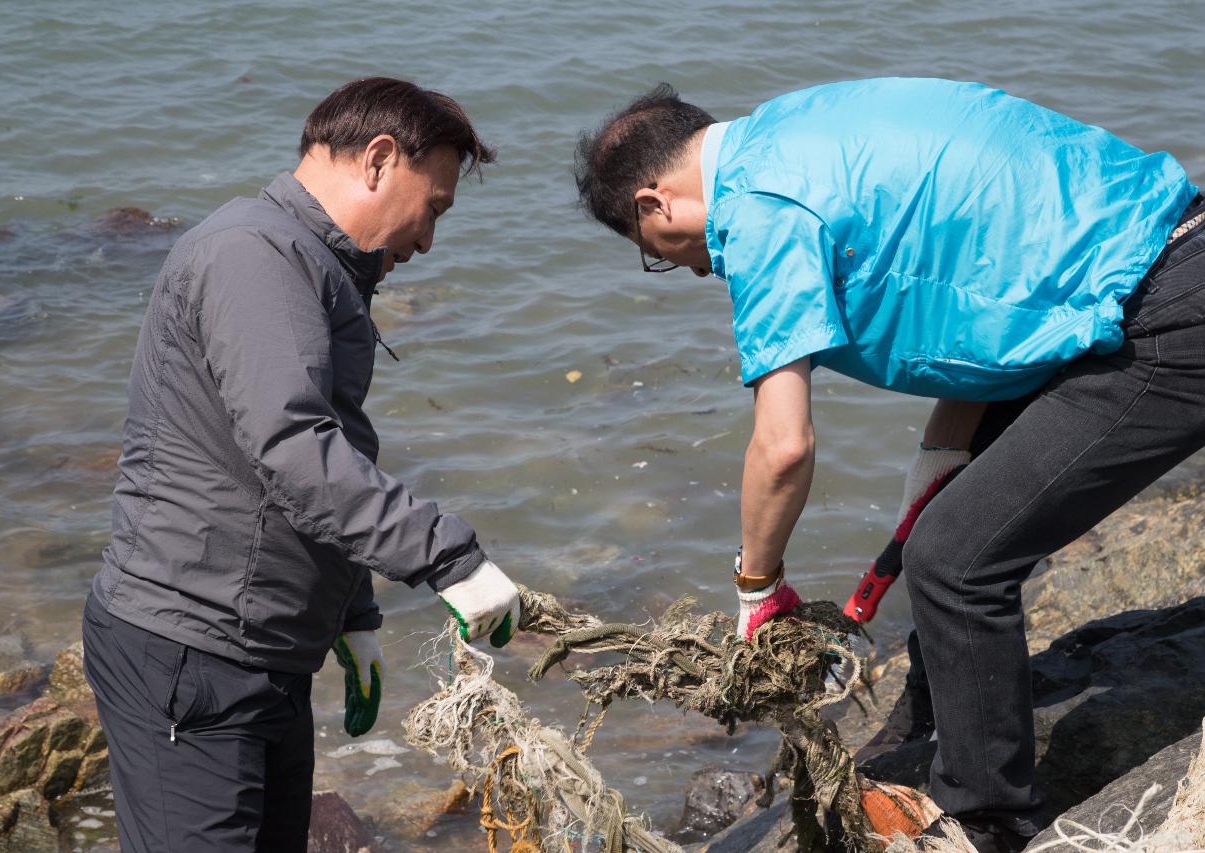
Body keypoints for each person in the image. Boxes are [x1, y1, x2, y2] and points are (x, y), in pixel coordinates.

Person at [574, 77, 1202, 852]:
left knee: (953, 561)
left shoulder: (760, 207)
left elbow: (784, 445)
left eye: (660, 258)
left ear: (654, 204)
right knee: (947, 529)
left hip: (1159, 313)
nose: (698, 270)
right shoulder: (805, 127)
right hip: (1145, 265)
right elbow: (976, 306)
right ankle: (928, 721)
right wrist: (939, 460)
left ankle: (985, 820)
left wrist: (757, 588)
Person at [81, 77, 522, 852]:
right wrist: (447, 556)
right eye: (435, 208)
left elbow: (321, 456)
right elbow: (293, 448)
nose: (427, 240)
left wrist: (352, 613)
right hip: (192, 653)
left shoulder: (315, 266)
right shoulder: (253, 256)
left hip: (257, 654)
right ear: (380, 161)